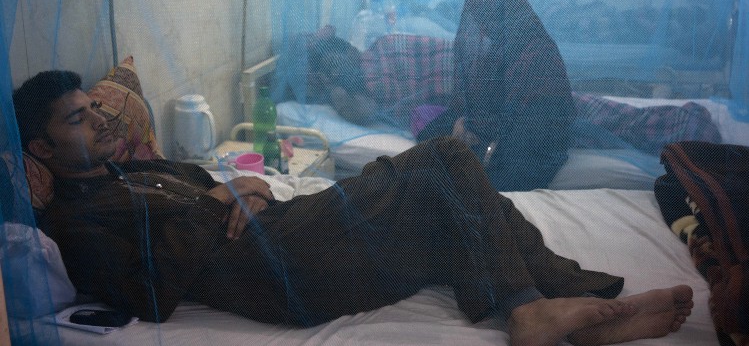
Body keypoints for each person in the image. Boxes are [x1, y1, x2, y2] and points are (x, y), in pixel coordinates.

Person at [12, 70, 693, 346]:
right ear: (41, 147)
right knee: (442, 160)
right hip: (281, 269)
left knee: (455, 203)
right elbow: (149, 290)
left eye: (97, 106)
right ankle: (528, 309)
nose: (101, 119)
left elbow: (237, 186)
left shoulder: (141, 167)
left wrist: (243, 188)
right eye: (78, 118)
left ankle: (565, 309)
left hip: (293, 234)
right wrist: (223, 198)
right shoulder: (74, 219)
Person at [418, 0, 576, 191]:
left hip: (527, 157)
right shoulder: (495, 55)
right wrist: (458, 128)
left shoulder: (538, 61)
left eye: (485, 22)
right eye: (478, 23)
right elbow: (463, 112)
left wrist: (480, 148)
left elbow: (528, 157)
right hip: (502, 146)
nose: (481, 32)